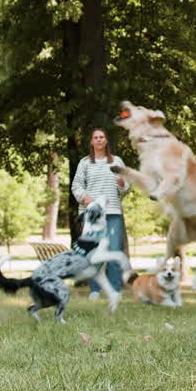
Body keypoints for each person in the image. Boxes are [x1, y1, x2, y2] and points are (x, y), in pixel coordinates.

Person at [71, 128, 131, 299]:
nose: (98, 140)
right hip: (92, 215)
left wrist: (122, 184)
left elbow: (126, 187)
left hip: (112, 213)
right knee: (92, 253)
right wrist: (86, 199)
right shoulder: (84, 163)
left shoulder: (117, 161)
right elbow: (76, 186)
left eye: (101, 137)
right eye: (95, 137)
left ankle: (115, 290)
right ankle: (95, 290)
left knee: (113, 250)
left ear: (106, 141)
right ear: (91, 142)